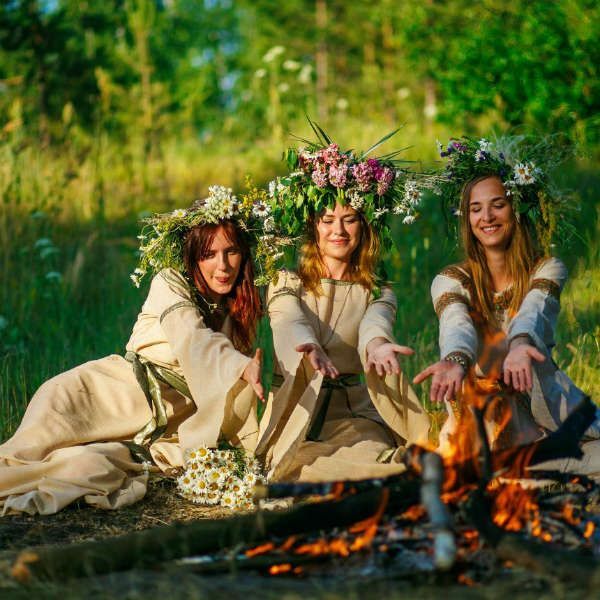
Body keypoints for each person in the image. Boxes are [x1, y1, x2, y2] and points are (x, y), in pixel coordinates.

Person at [0, 185, 270, 515]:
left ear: (244, 254)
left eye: (231, 252)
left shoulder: (239, 307)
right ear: (192, 257)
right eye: (209, 255)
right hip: (93, 396)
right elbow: (192, 335)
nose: (223, 265)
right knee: (17, 462)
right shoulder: (170, 283)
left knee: (92, 467)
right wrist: (237, 365)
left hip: (154, 428)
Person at [413, 137, 600, 475]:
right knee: (485, 473)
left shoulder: (546, 268)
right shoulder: (451, 279)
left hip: (546, 400)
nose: (487, 216)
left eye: (498, 204)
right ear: (467, 218)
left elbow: (534, 310)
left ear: (516, 208)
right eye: (475, 208)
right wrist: (455, 361)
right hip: (485, 413)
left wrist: (520, 344)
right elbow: (457, 325)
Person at [256, 132, 430, 482]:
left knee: (370, 458)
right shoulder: (286, 281)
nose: (339, 230)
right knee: (292, 465)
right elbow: (286, 318)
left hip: (355, 412)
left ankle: (394, 466)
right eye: (327, 220)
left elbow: (375, 324)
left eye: (349, 219)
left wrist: (378, 345)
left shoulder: (377, 291)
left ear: (363, 228)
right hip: (298, 409)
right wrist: (309, 347)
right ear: (313, 227)